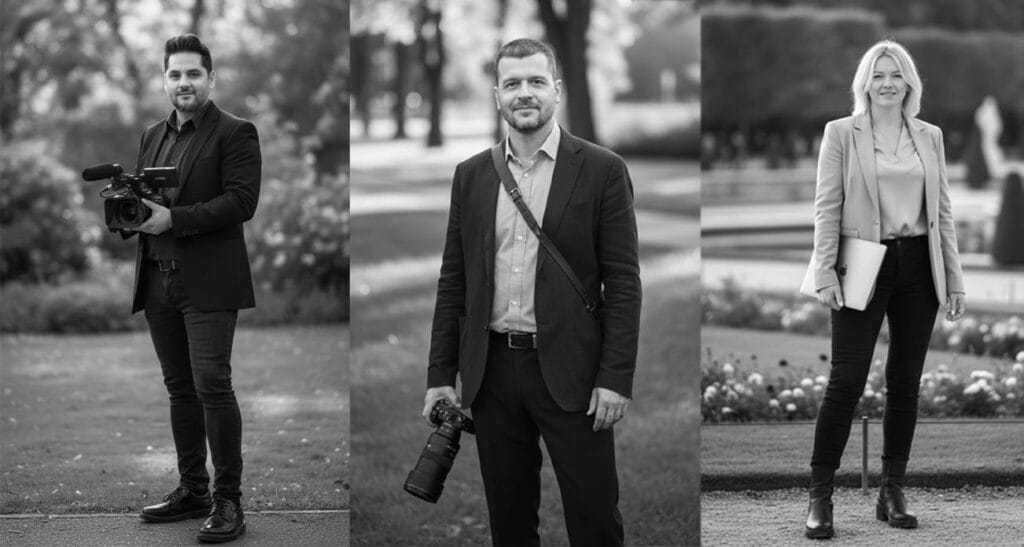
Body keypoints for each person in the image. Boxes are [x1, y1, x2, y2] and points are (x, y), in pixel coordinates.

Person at [422, 38, 641, 546]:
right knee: (510, 522)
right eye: (513, 83)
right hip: (492, 373)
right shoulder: (471, 175)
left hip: (574, 372)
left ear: (556, 90)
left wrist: (615, 378)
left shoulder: (603, 169)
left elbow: (624, 283)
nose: (525, 93)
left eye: (536, 81)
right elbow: (454, 282)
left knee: (595, 519)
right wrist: (440, 376)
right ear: (497, 95)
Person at [804, 40, 965, 539]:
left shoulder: (930, 136)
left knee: (905, 383)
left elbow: (942, 213)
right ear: (865, 83)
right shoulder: (841, 133)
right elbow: (827, 206)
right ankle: (820, 496)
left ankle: (892, 491)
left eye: (896, 75)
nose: (888, 83)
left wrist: (954, 279)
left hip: (920, 267)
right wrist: (824, 270)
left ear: (909, 83)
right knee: (846, 381)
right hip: (861, 263)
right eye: (878, 75)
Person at [129, 34, 260, 544]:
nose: (183, 82)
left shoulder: (236, 132)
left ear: (210, 78)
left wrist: (174, 220)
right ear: (165, 81)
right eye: (175, 74)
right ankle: (193, 490)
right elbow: (148, 202)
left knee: (212, 385)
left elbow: (242, 202)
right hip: (157, 280)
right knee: (179, 389)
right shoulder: (151, 136)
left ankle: (229, 501)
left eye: (193, 74)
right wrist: (131, 215)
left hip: (209, 281)